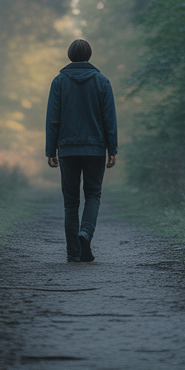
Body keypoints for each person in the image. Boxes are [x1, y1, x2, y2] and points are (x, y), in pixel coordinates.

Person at [45, 38, 118, 263]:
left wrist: (51, 149)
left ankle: (73, 252)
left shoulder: (58, 82)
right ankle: (85, 233)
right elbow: (109, 118)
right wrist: (112, 148)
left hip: (67, 149)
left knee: (71, 202)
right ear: (89, 55)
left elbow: (53, 119)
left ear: (69, 55)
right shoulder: (102, 82)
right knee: (93, 195)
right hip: (95, 148)